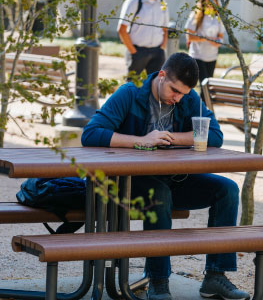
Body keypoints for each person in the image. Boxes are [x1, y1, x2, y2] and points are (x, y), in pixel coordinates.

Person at [81, 53, 249, 300]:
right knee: (158, 194)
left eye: (183, 93)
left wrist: (170, 138)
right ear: (161, 76)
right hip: (128, 184)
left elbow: (214, 135)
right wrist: (141, 141)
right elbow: (91, 134)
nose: (178, 98)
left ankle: (215, 276)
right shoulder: (129, 94)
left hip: (175, 180)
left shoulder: (188, 98)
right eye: (174, 91)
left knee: (227, 190)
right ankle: (158, 282)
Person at [118, 0, 170, 78]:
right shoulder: (134, 1)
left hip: (157, 52)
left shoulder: (162, 3)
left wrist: (162, 47)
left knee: (157, 87)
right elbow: (122, 29)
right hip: (137, 52)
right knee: (132, 86)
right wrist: (133, 52)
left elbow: (165, 29)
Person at [184, 0, 225, 99]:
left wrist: (215, 42)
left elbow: (220, 38)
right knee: (204, 83)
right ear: (203, 2)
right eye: (208, 1)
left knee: (207, 87)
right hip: (197, 56)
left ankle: (202, 110)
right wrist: (206, 39)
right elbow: (190, 37)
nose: (210, 4)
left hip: (211, 57)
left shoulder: (218, 17)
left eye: (213, 1)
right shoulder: (195, 15)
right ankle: (202, 110)